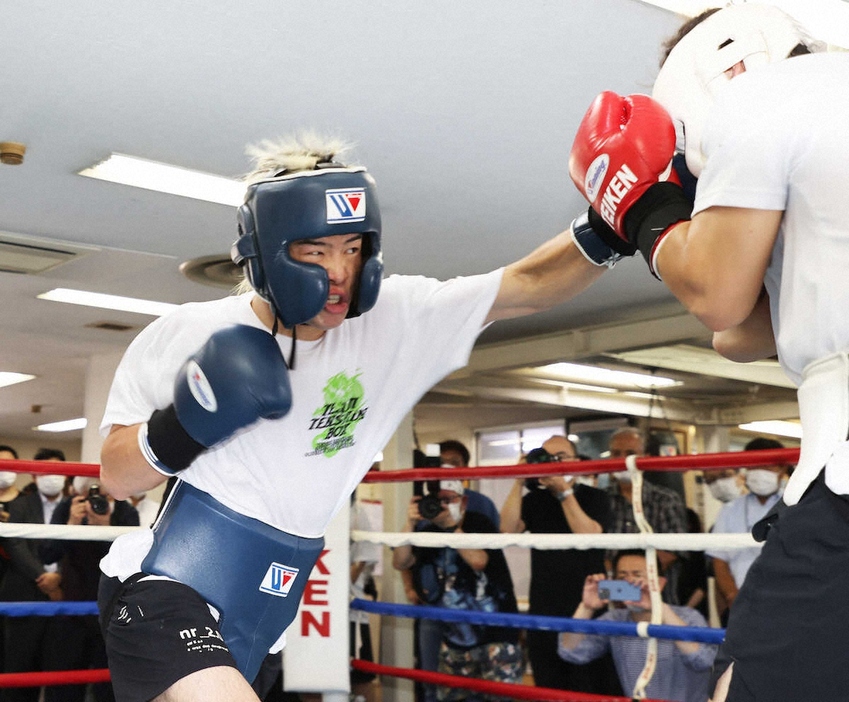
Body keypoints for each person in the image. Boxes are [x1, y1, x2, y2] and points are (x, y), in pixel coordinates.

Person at [95, 132, 611, 702]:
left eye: (352, 248)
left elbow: (529, 284)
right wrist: (187, 421)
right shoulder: (187, 332)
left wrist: (615, 222)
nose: (339, 272)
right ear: (267, 252)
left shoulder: (397, 319)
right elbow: (116, 478)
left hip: (267, 612)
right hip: (167, 588)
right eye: (315, 252)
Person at [567, 4, 845, 698]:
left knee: (748, 682)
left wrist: (643, 212)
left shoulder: (763, 92)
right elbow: (742, 333)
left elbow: (716, 299)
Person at [499, 435, 618, 694]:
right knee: (548, 685)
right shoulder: (533, 500)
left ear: (576, 461)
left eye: (560, 457)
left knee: (589, 685)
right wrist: (519, 480)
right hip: (544, 605)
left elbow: (589, 537)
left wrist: (563, 490)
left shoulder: (597, 497)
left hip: (588, 605)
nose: (553, 462)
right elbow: (506, 531)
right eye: (547, 457)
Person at [392, 480, 521, 702]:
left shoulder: (479, 522)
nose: (440, 506)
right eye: (436, 500)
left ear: (463, 502)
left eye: (447, 500)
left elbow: (479, 561)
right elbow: (401, 562)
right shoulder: (428, 532)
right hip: (455, 638)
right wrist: (409, 524)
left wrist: (451, 526)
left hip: (497, 636)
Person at [558, 550, 716, 702]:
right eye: (622, 576)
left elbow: (703, 660)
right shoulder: (615, 620)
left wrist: (658, 607)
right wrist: (586, 607)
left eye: (637, 575)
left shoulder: (688, 616)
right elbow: (571, 652)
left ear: (660, 583)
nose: (630, 582)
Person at [40, 477, 140, 702]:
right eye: (90, 494)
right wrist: (72, 526)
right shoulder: (67, 507)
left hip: (112, 611)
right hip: (71, 610)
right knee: (64, 684)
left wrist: (105, 528)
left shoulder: (125, 511)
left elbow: (131, 563)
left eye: (102, 495)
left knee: (109, 686)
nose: (96, 500)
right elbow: (46, 553)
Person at [0, 449, 67, 702]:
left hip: (65, 596)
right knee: (19, 665)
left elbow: (81, 548)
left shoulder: (75, 504)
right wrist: (45, 578)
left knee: (60, 667)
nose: (52, 477)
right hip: (25, 593)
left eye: (59, 470)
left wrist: (59, 576)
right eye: (46, 471)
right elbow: (14, 545)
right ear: (34, 474)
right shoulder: (20, 504)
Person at [705, 438, 789, 626]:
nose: (761, 473)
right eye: (755, 466)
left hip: (786, 603)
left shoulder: (796, 504)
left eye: (768, 467)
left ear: (783, 469)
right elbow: (719, 559)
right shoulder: (730, 509)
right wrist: (732, 596)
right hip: (739, 602)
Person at [605, 428, 687, 602]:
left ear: (646, 457)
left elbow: (673, 551)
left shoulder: (666, 499)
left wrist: (631, 585)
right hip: (611, 601)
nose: (623, 459)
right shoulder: (601, 499)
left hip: (659, 600)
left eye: (630, 453)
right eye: (616, 453)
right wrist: (617, 588)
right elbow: (596, 554)